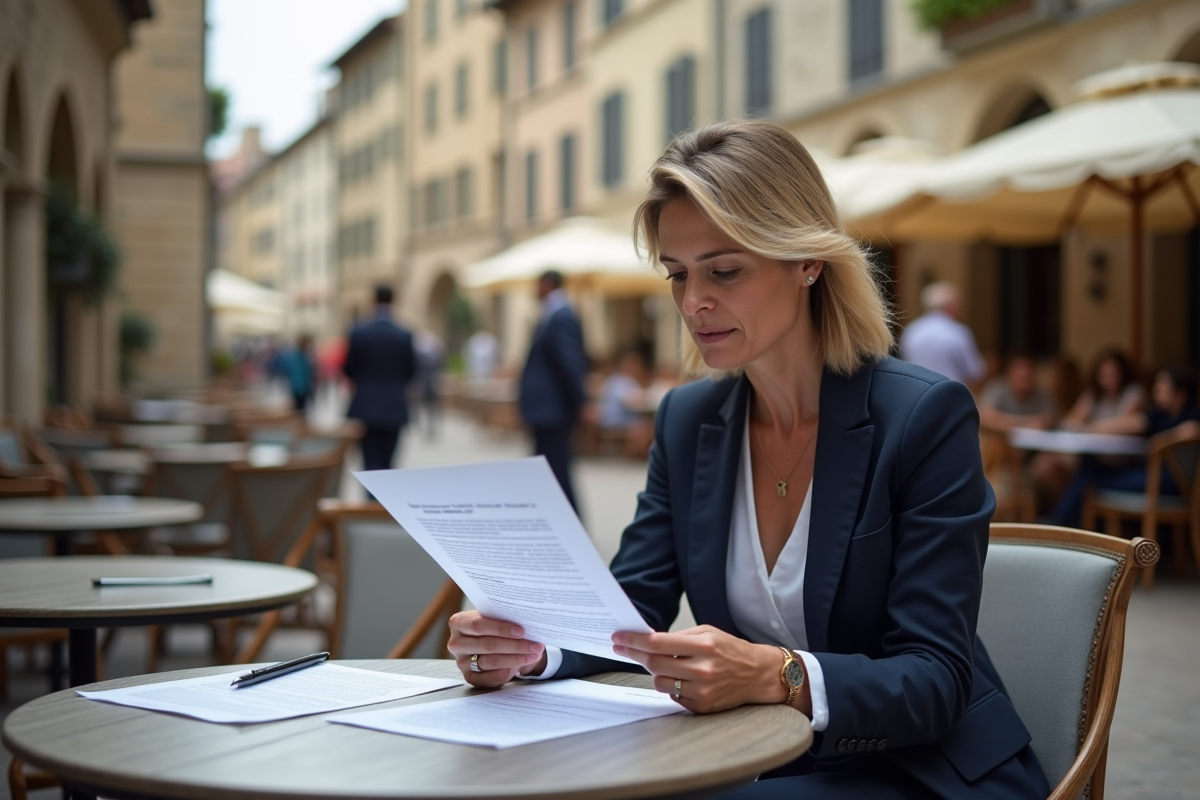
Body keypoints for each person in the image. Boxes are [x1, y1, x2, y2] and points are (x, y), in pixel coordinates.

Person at [447, 121, 1048, 800]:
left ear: (807, 262)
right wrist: (535, 650)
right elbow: (631, 607)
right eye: (678, 274)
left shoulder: (923, 417)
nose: (693, 301)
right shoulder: (687, 421)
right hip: (761, 760)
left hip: (925, 771)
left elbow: (936, 679)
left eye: (724, 270)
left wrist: (776, 674)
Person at [1051, 365, 1199, 529]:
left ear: (1180, 394)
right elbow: (1125, 424)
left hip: (1171, 483)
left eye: (1163, 385)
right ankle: (1063, 523)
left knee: (1092, 476)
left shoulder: (1192, 416)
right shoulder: (1158, 415)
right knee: (1090, 465)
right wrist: (1088, 427)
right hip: (1149, 476)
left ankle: (1061, 523)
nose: (1157, 389)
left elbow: (1190, 432)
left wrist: (1158, 442)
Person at [518, 270, 588, 511]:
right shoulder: (553, 313)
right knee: (549, 470)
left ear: (547, 284)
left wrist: (582, 402)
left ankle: (571, 524)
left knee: (555, 470)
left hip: (553, 411)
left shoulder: (561, 315)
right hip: (548, 410)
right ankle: (554, 521)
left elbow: (570, 363)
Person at [343, 285, 418, 472]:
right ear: (393, 301)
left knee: (369, 463)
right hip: (394, 406)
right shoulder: (404, 334)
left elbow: (348, 369)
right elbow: (411, 372)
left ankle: (369, 499)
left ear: (374, 300)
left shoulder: (359, 332)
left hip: (365, 406)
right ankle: (383, 501)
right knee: (388, 463)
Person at [898, 281, 987, 390]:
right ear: (951, 305)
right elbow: (975, 373)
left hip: (917, 395)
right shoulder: (958, 332)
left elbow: (905, 364)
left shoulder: (911, 330)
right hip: (951, 397)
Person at [595, 351, 654, 458]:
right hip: (615, 420)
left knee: (647, 424)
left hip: (622, 418)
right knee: (645, 426)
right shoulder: (619, 381)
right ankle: (633, 455)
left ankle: (637, 454)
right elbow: (630, 400)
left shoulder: (626, 380)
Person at [977, 354, 1055, 433]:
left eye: (1027, 377)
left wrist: (1003, 422)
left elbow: (1048, 421)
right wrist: (1025, 423)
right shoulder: (996, 389)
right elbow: (985, 418)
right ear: (1009, 375)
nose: (1023, 382)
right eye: (1020, 377)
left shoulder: (1042, 396)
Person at [276, 334, 317, 414]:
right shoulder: (299, 357)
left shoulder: (302, 356)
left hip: (300, 386)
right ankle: (298, 423)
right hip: (299, 386)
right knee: (299, 409)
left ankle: (300, 422)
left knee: (301, 408)